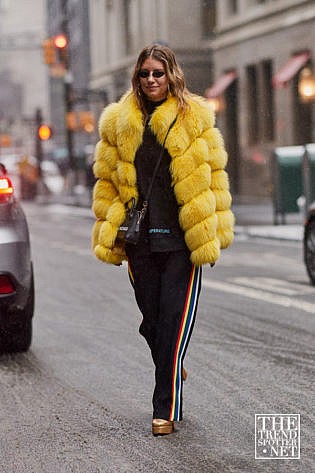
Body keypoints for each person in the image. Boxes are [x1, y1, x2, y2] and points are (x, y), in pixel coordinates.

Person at [91, 44, 234, 436]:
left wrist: (215, 233)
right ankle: (170, 361)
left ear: (171, 75)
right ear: (136, 78)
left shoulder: (195, 117)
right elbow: (106, 182)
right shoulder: (118, 122)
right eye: (145, 74)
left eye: (158, 73)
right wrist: (108, 229)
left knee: (172, 322)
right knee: (152, 322)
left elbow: (214, 175)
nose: (152, 80)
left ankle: (164, 408)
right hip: (139, 241)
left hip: (182, 242)